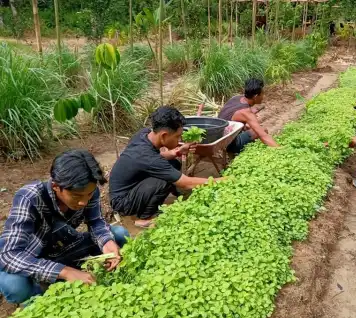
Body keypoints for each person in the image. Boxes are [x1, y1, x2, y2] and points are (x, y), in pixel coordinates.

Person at [0, 150, 129, 304]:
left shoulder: (87, 190)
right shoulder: (29, 197)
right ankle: (41, 300)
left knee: (119, 234)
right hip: (33, 256)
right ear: (55, 186)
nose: (83, 202)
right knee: (14, 286)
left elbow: (95, 222)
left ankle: (63, 277)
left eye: (88, 195)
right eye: (76, 196)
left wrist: (107, 244)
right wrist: (64, 271)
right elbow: (9, 255)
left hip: (66, 246)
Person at [109, 106, 223, 228]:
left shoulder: (144, 134)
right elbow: (186, 183)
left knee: (173, 164)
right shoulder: (147, 156)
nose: (180, 139)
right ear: (164, 136)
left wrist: (178, 151)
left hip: (133, 186)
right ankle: (144, 217)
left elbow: (156, 157)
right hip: (123, 202)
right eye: (177, 136)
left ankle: (166, 198)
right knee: (164, 179)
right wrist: (219, 181)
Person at [218, 78, 279, 154]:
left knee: (249, 127)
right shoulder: (246, 112)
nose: (263, 96)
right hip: (228, 144)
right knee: (263, 130)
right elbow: (263, 136)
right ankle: (237, 154)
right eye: (262, 94)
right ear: (256, 96)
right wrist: (280, 151)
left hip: (219, 136)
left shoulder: (236, 98)